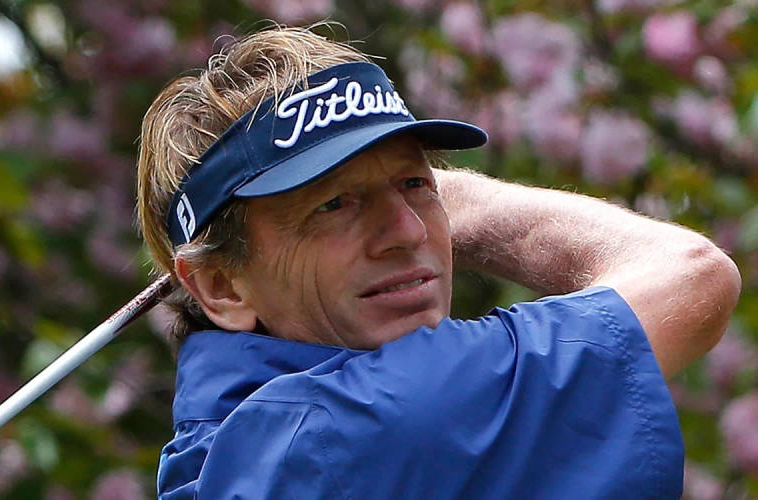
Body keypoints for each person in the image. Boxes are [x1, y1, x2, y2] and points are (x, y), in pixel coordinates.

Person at [135, 26, 741, 499]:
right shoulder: (371, 420)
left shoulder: (221, 448)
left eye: (415, 185)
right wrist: (463, 198)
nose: (407, 230)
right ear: (221, 286)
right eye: (333, 204)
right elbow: (691, 275)